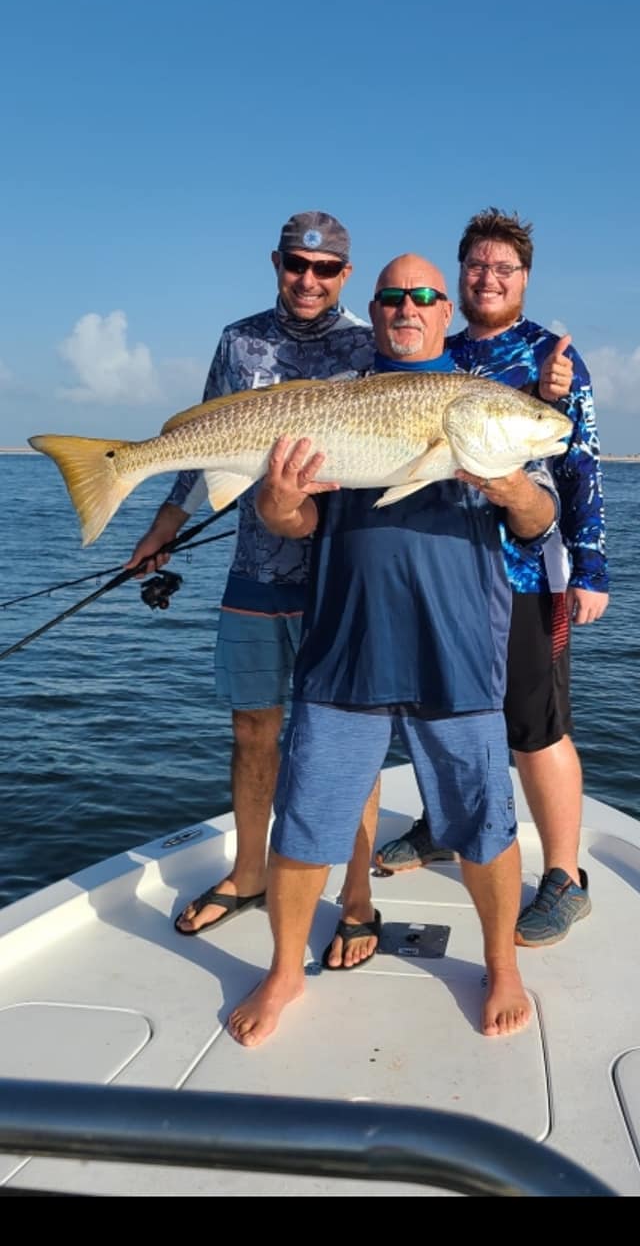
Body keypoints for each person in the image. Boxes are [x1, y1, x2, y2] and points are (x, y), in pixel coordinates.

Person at [228, 252, 560, 1049]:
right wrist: (277, 504)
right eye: (391, 298)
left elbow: (541, 516)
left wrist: (511, 484)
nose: (406, 307)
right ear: (374, 313)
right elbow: (300, 525)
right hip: (346, 640)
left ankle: (502, 966)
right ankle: (282, 969)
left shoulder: (481, 402)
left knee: (484, 817)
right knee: (306, 818)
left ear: (446, 312)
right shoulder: (336, 398)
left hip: (456, 648)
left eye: (422, 296)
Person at [125, 211, 375, 934]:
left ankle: (356, 891)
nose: (309, 279)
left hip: (338, 575)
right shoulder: (239, 340)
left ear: (345, 275)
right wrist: (167, 520)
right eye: (298, 263)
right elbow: (202, 436)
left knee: (346, 738)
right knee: (253, 730)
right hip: (253, 570)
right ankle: (250, 871)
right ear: (276, 261)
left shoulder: (366, 346)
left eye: (325, 269)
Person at [375, 209, 608, 949]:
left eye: (504, 268)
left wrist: (592, 567)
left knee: (535, 727)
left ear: (525, 279)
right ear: (459, 278)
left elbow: (579, 463)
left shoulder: (552, 356)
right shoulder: (435, 350)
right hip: (441, 568)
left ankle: (566, 877)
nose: (489, 278)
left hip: (522, 570)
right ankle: (445, 825)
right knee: (437, 705)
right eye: (477, 266)